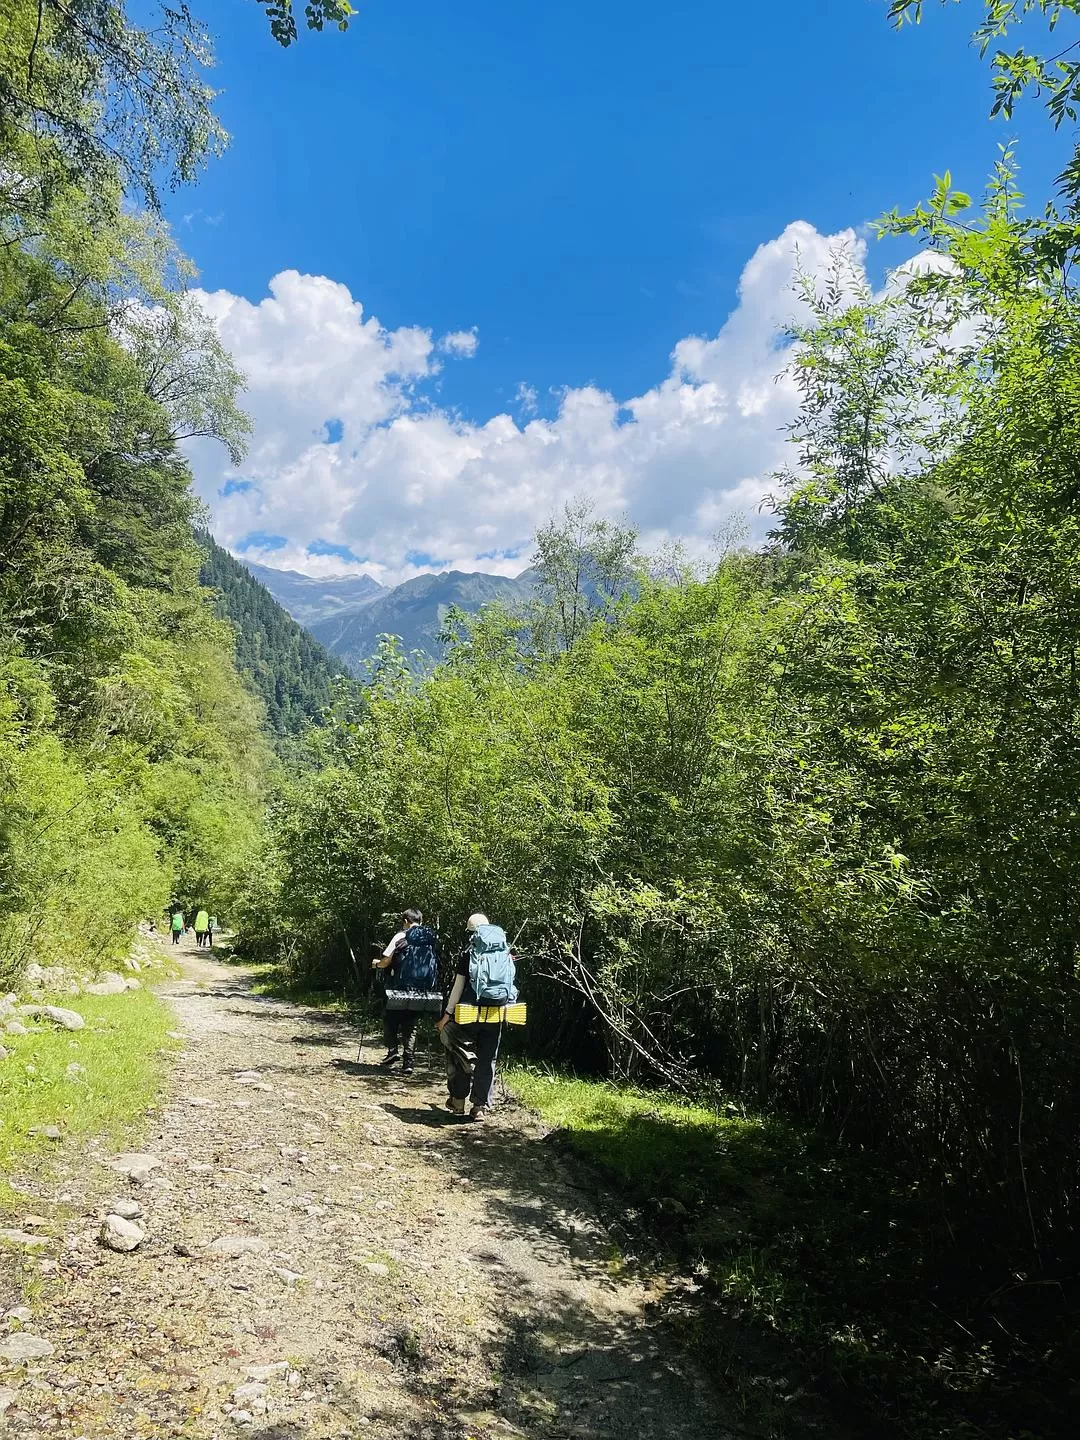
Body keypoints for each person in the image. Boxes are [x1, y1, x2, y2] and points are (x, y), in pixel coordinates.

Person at [435, 913, 517, 1122]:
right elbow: (510, 986)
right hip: (495, 1014)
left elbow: (458, 988)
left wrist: (447, 1015)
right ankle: (479, 1107)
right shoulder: (505, 953)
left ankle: (458, 1101)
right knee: (487, 1059)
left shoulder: (468, 954)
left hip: (468, 1014)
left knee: (461, 1055)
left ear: (472, 933)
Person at [373, 909, 439, 1075]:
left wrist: (376, 964)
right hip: (423, 989)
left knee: (389, 1017)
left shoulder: (401, 936)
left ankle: (393, 1050)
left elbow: (386, 961)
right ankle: (408, 1062)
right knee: (411, 1024)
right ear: (420, 921)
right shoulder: (430, 938)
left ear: (405, 920)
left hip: (400, 987)